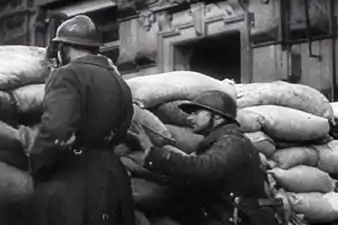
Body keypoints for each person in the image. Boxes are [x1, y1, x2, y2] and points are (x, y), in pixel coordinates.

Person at [23, 15, 135, 225]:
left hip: (74, 184)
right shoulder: (119, 80)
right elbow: (121, 130)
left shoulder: (67, 74)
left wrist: (38, 164)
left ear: (64, 48)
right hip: (113, 178)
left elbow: (56, 130)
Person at [131, 90, 286, 225]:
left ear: (217, 117)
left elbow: (206, 168)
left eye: (196, 113)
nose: (189, 118)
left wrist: (154, 154)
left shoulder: (233, 141)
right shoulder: (215, 144)